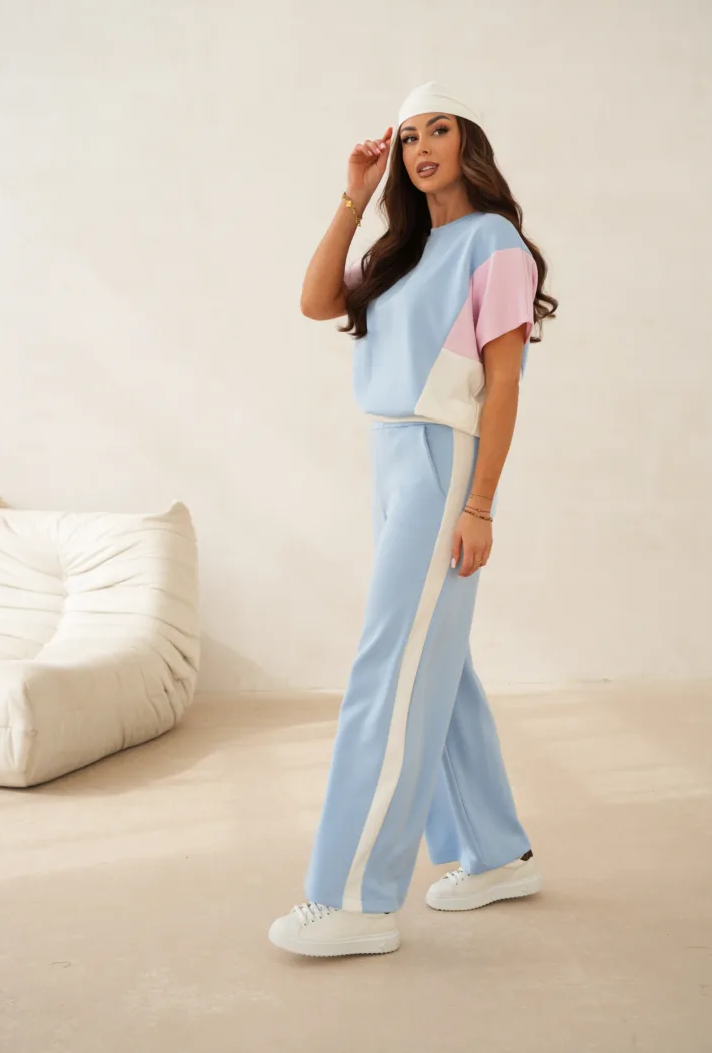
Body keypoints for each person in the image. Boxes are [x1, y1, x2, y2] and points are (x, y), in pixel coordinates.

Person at [268, 81, 558, 958]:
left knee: (389, 667)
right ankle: (495, 853)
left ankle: (356, 899)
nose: (422, 147)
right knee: (437, 660)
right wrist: (353, 196)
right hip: (392, 458)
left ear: (469, 145)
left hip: (443, 460)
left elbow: (503, 385)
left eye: (440, 130)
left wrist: (479, 504)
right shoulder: (402, 250)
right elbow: (317, 300)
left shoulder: (493, 241)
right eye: (408, 137)